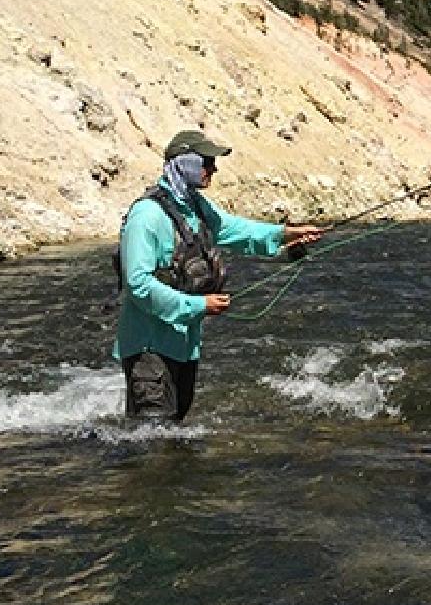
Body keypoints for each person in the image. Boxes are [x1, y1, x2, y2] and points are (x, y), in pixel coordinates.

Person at [114, 128, 323, 420]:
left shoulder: (194, 207)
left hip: (184, 347)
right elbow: (138, 286)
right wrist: (199, 305)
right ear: (183, 163)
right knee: (153, 443)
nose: (214, 168)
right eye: (206, 162)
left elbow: (233, 229)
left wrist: (285, 235)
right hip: (148, 348)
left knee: (171, 434)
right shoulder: (147, 216)